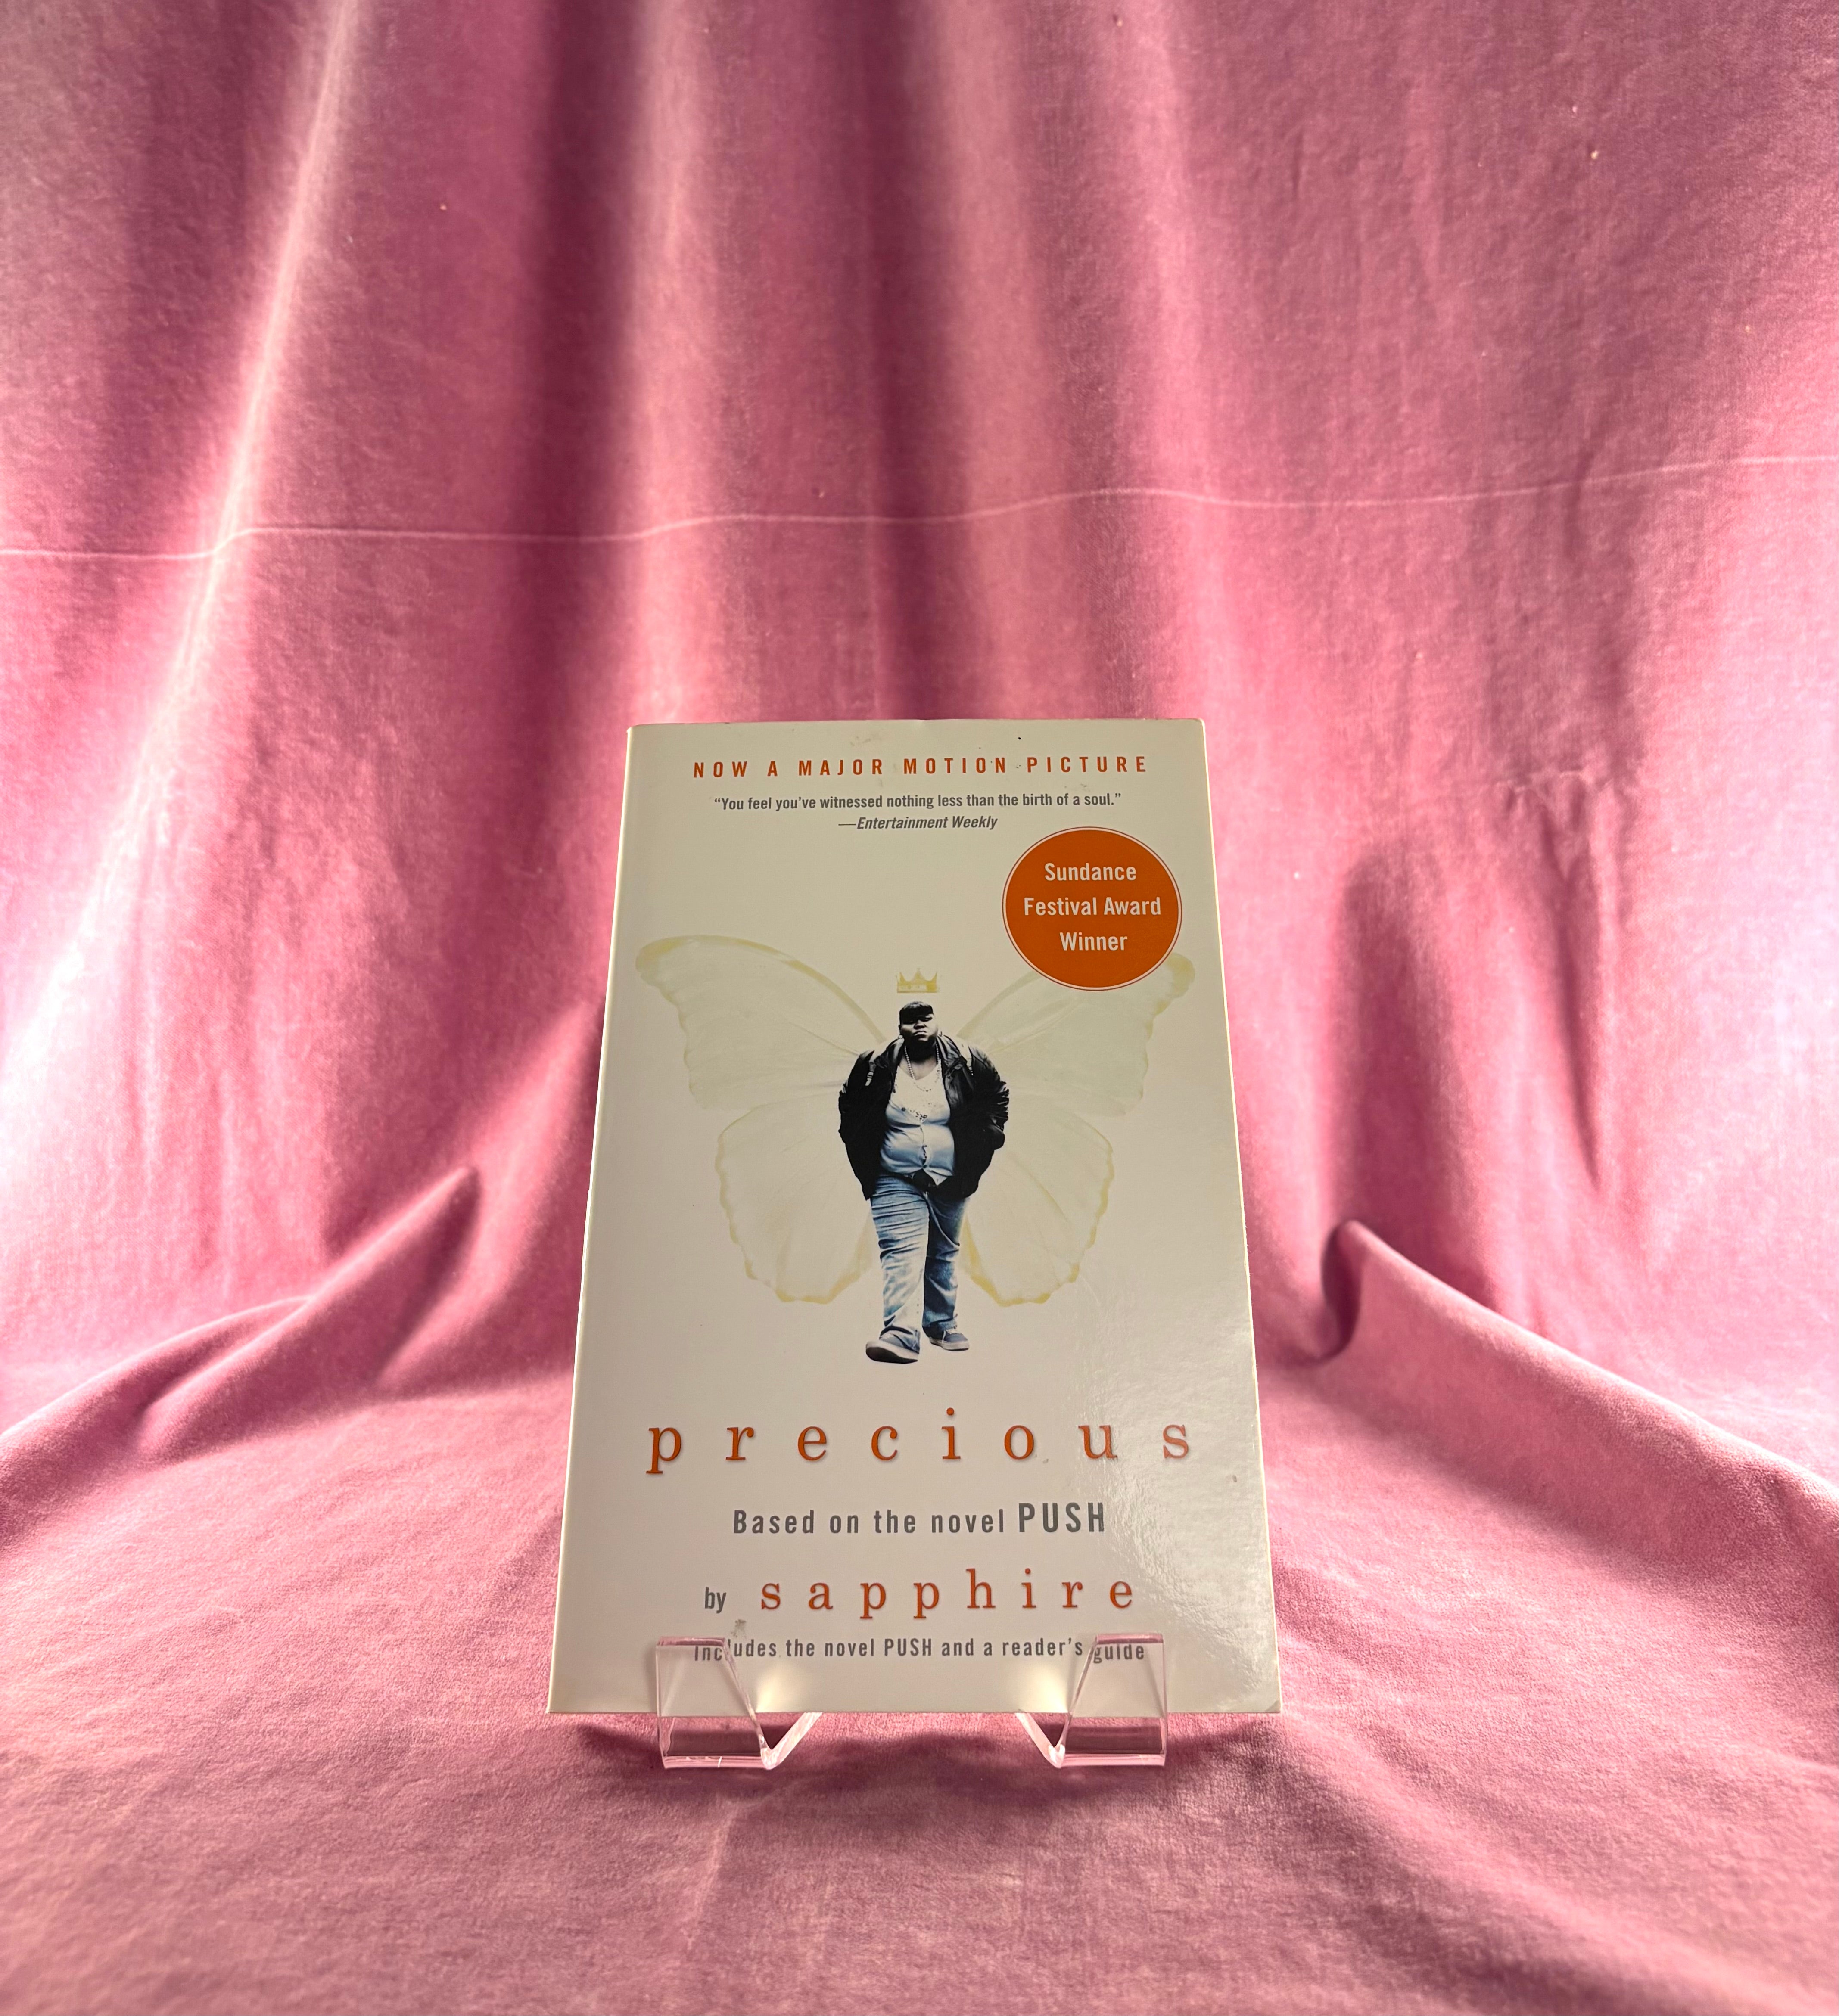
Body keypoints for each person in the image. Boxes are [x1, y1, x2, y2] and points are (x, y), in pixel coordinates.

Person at [837, 1001, 1010, 1364]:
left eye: (925, 1018)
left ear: (936, 1022)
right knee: (901, 1251)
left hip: (952, 1175)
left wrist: (991, 1133)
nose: (918, 1025)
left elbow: (997, 1096)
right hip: (894, 1175)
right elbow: (850, 1105)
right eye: (909, 1021)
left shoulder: (967, 1059)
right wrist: (862, 1153)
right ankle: (900, 1334)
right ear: (899, 1027)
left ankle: (941, 1324)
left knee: (943, 1251)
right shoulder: (875, 1063)